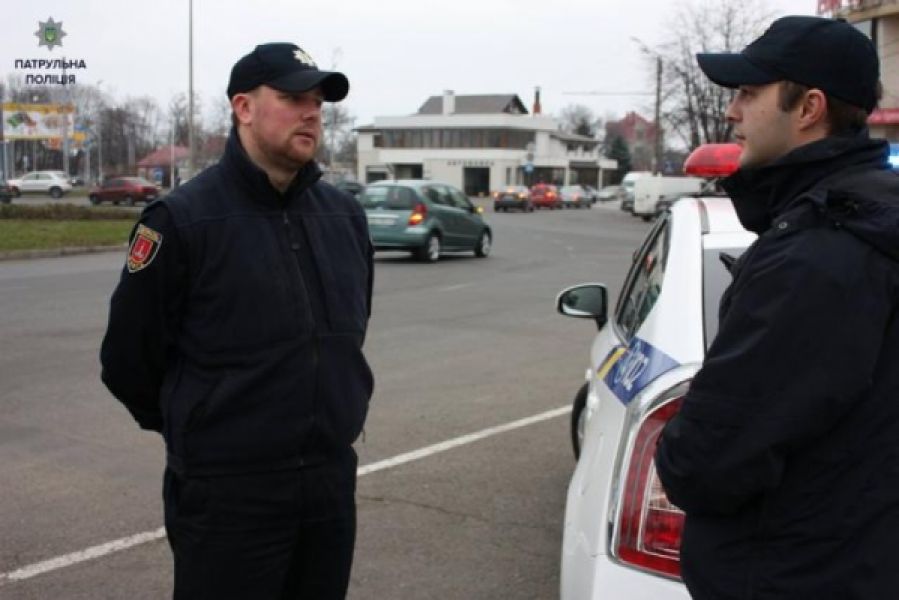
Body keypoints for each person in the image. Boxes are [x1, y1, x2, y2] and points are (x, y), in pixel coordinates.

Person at [100, 42, 374, 599]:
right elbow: (128, 360)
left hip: (328, 485)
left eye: (318, 102)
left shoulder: (343, 217)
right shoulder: (182, 221)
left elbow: (351, 331)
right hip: (228, 495)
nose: (311, 113)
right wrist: (206, 427)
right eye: (293, 98)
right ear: (243, 107)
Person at [654, 16, 899, 600]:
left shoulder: (817, 254)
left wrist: (675, 446)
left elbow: (708, 461)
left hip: (792, 574)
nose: (731, 112)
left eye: (748, 93)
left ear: (809, 107)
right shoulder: (867, 217)